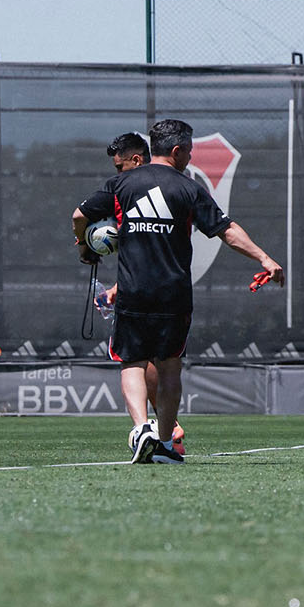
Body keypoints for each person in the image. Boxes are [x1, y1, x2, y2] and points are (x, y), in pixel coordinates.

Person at [76, 118, 284, 463]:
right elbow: (226, 229)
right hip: (173, 294)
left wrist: (86, 248)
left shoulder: (121, 184)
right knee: (170, 367)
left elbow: (78, 216)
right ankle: (166, 444)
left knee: (131, 362)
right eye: (189, 150)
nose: (189, 156)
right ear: (177, 151)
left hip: (131, 291)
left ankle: (142, 427)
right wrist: (264, 257)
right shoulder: (188, 189)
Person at [90, 131, 189, 457]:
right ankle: (163, 434)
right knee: (162, 362)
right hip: (165, 291)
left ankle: (152, 428)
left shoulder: (130, 186)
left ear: (137, 159)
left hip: (152, 290)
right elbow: (147, 250)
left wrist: (83, 242)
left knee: (140, 361)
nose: (118, 173)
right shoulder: (176, 185)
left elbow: (79, 217)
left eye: (121, 166)